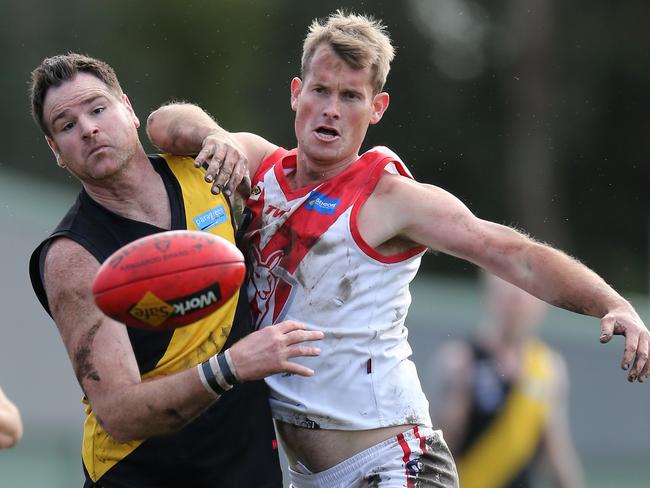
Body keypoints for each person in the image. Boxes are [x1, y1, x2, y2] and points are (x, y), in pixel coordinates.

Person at [147, 10, 649, 488]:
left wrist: (612, 303)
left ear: (377, 108)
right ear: (296, 94)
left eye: (351, 96)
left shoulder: (390, 198)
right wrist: (215, 135)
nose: (331, 110)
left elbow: (511, 251)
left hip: (395, 467)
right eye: (320, 91)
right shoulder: (258, 165)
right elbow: (162, 124)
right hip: (309, 476)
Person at [27, 53, 324, 488]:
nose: (88, 129)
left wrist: (215, 133)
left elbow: (296, 195)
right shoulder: (72, 256)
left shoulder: (204, 173)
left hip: (247, 466)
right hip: (141, 475)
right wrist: (233, 366)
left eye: (97, 109)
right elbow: (121, 414)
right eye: (67, 125)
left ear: (127, 109)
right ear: (56, 151)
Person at [429, 273, 585, 488]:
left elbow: (556, 453)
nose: (517, 307)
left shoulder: (548, 368)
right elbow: (436, 450)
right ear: (491, 297)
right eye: (509, 296)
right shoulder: (460, 360)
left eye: (527, 298)